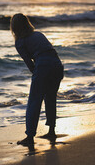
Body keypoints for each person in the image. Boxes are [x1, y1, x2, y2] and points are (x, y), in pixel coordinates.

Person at [10, 13, 64, 146]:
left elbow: (30, 64)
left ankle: (29, 137)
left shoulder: (20, 42)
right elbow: (51, 51)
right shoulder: (38, 34)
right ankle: (51, 131)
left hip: (43, 66)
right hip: (57, 65)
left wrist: (38, 76)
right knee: (50, 98)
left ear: (14, 27)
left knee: (35, 100)